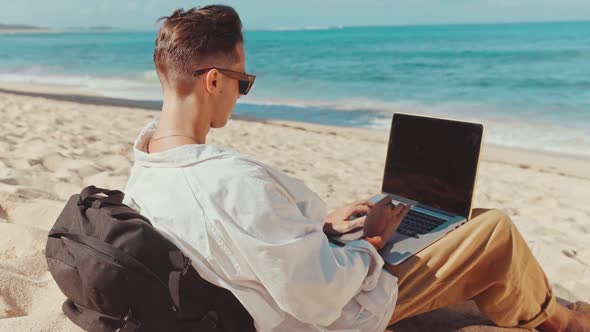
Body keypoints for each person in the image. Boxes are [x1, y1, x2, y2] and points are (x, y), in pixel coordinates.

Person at [123, 5, 589, 332]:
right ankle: (560, 321)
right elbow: (319, 297)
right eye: (243, 83)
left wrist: (319, 227)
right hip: (335, 314)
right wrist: (373, 240)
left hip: (274, 286)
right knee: (493, 229)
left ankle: (527, 301)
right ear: (213, 80)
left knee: (444, 223)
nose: (241, 95)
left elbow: (235, 238)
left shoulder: (148, 163)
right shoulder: (229, 181)